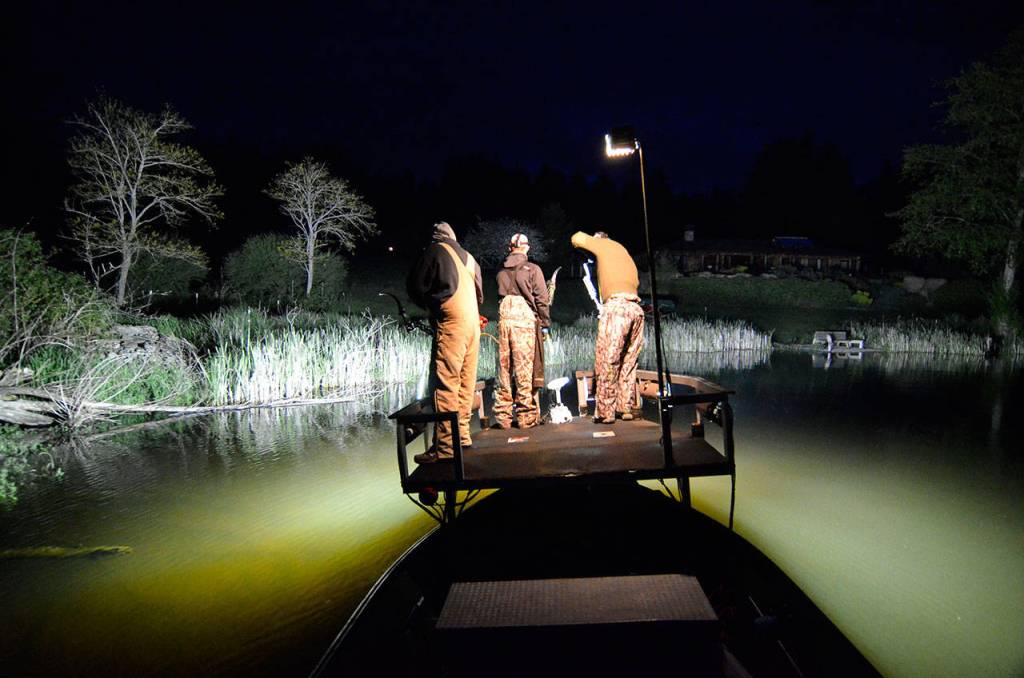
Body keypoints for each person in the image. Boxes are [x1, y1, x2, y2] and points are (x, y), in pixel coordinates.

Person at [406, 222, 484, 463]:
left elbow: (416, 286)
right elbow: (480, 295)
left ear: (436, 238)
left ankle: (445, 448)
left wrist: (430, 305)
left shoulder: (436, 251)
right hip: (473, 326)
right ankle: (461, 437)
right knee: (465, 383)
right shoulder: (470, 258)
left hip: (452, 324)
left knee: (446, 384)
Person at [570, 230, 643, 424]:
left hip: (616, 308)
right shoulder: (622, 250)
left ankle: (605, 412)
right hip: (636, 309)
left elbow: (576, 238)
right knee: (628, 362)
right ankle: (624, 407)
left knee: (607, 360)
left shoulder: (603, 245)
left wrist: (592, 243)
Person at [493, 233, 550, 429]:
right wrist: (545, 323)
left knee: (504, 369)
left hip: (503, 320)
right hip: (523, 321)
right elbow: (542, 300)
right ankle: (526, 417)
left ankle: (503, 417)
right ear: (526, 248)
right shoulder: (533, 269)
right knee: (524, 370)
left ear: (510, 248)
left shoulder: (500, 272)